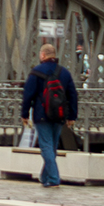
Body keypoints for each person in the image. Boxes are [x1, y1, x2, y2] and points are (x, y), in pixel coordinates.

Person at [19, 40, 79, 188]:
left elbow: (28, 95)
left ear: (43, 55)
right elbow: (73, 95)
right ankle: (44, 176)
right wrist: (72, 116)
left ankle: (53, 178)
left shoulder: (36, 72)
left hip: (41, 114)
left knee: (46, 146)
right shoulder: (64, 73)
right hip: (59, 115)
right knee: (51, 147)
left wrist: (25, 114)